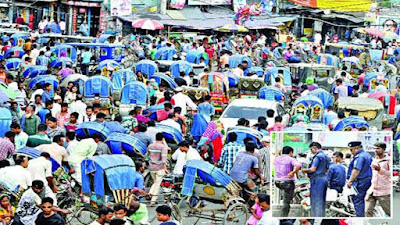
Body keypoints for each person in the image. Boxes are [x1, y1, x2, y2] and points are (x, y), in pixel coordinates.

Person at [302, 142, 330, 217]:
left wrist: (303, 170)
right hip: (324, 178)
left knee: (316, 201)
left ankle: (316, 217)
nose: (311, 151)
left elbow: (312, 169)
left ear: (314, 148)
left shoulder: (317, 157)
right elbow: (327, 170)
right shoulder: (326, 156)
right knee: (322, 201)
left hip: (317, 180)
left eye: (311, 150)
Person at [346, 141, 372, 217]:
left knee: (358, 201)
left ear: (357, 148)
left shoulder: (359, 157)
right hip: (367, 180)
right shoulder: (367, 155)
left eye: (352, 150)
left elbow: (356, 170)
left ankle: (360, 217)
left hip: (360, 181)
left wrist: (350, 181)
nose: (351, 152)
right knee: (364, 200)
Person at [273, 146, 301, 217]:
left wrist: (277, 153)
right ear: (290, 152)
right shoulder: (291, 159)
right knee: (286, 202)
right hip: (287, 182)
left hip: (277, 182)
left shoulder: (277, 159)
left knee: (285, 197)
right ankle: (283, 217)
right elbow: (299, 165)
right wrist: (293, 172)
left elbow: (275, 159)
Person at [365, 142, 391, 217]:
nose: (376, 150)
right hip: (372, 190)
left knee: (389, 211)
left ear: (384, 149)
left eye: (378, 148)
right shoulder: (374, 160)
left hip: (383, 191)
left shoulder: (388, 161)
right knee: (367, 211)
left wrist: (380, 169)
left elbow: (390, 174)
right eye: (375, 148)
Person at [148, 133, 169, 206]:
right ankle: (152, 200)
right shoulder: (163, 147)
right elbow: (164, 159)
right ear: (163, 139)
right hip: (159, 168)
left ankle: (150, 193)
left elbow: (148, 156)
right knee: (157, 184)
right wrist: (165, 168)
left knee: (155, 182)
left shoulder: (150, 146)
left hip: (151, 167)